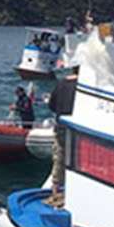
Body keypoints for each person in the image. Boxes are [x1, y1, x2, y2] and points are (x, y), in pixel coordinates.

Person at [47, 73, 78, 208]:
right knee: (77, 159)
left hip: (61, 125)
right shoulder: (82, 85)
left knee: (59, 156)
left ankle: (55, 190)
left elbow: (52, 105)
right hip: (77, 127)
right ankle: (73, 192)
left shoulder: (61, 83)